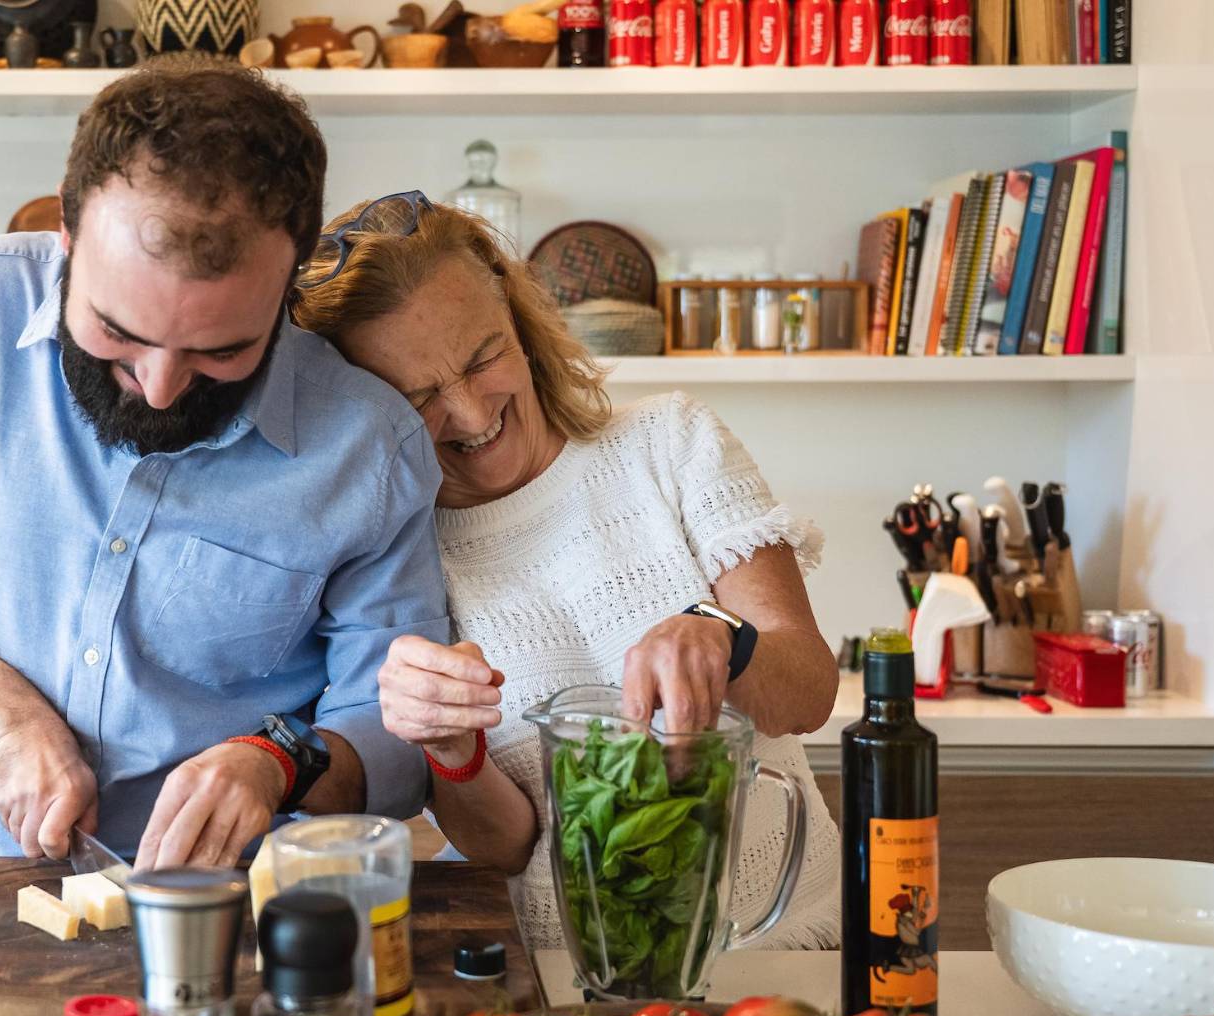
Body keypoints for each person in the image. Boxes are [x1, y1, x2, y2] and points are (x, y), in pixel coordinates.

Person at [0, 60, 447, 870]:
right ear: (68, 241)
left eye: (220, 350)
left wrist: (276, 762)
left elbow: (396, 736)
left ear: (288, 285)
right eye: (118, 336)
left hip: (242, 907)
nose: (159, 386)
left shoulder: (370, 445)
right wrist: (4, 716)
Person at [290, 196, 843, 950]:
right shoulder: (395, 560)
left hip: (793, 946)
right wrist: (452, 752)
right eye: (417, 397)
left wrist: (720, 635)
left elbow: (808, 687)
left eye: (484, 357)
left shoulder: (670, 442)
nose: (468, 409)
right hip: (571, 976)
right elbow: (509, 844)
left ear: (519, 320)